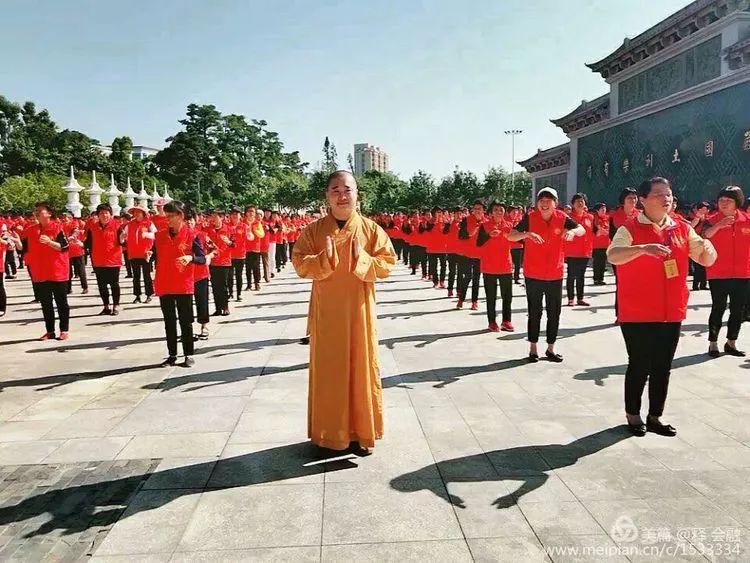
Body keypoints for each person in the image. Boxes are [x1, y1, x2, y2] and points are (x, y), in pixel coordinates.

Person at [292, 170, 396, 455]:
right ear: (326, 195)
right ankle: (329, 436)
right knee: (330, 372)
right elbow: (299, 263)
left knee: (361, 368)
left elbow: (387, 263)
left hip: (360, 312)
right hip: (327, 313)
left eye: (347, 189)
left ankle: (362, 433)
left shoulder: (371, 229)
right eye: (335, 190)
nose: (341, 195)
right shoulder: (313, 230)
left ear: (357, 194)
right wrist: (323, 259)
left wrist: (362, 258)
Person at [608, 177, 716, 436]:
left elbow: (706, 258)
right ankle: (633, 415)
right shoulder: (631, 227)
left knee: (662, 366)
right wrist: (642, 248)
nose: (666, 198)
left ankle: (655, 416)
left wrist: (707, 249)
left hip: (671, 310)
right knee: (639, 364)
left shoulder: (681, 227)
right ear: (643, 200)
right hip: (637, 311)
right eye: (658, 194)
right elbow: (613, 255)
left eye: (668, 194)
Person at [508, 188, 585, 362]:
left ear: (555, 203)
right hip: (533, 273)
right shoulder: (530, 217)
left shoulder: (562, 218)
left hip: (555, 273)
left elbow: (581, 229)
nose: (544, 203)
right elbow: (510, 236)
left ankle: (551, 348)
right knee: (534, 312)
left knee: (554, 312)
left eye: (548, 200)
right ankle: (533, 349)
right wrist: (527, 234)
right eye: (541, 200)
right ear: (537, 203)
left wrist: (572, 232)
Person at [153, 201, 206, 367]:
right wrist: (150, 255)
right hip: (164, 283)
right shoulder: (160, 235)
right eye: (166, 216)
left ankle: (188, 354)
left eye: (170, 216)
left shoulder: (192, 234)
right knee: (169, 321)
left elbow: (202, 258)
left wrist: (191, 258)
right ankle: (172, 355)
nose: (167, 219)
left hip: (183, 283)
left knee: (185, 321)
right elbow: (155, 255)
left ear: (180, 216)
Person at [702, 186, 750, 358]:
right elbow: (705, 235)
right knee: (718, 307)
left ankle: (731, 342)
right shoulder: (712, 218)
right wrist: (720, 225)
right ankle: (713, 343)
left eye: (728, 200)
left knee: (738, 309)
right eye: (721, 200)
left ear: (737, 203)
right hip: (718, 273)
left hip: (743, 273)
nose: (723, 203)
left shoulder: (747, 219)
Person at [24, 203, 71, 340]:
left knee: (61, 302)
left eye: (40, 211)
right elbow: (24, 248)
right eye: (36, 211)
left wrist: (50, 242)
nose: (37, 213)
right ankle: (50, 331)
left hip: (57, 271)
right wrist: (15, 241)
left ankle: (64, 330)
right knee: (46, 303)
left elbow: (65, 246)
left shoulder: (58, 227)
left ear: (49, 213)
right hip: (40, 272)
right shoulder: (31, 230)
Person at [476, 202, 514, 332]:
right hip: (489, 266)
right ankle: (492, 322)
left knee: (507, 296)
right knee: (491, 296)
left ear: (504, 212)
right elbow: (479, 243)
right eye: (496, 210)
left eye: (501, 210)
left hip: (505, 266)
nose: (498, 212)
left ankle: (506, 321)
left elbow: (517, 240)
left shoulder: (509, 226)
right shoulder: (484, 226)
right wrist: (488, 235)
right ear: (491, 212)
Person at [87, 203, 125, 316]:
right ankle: (106, 306)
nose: (104, 215)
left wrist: (123, 239)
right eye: (102, 213)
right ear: (98, 215)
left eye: (106, 213)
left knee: (114, 284)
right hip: (98, 261)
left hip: (113, 260)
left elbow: (122, 241)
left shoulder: (117, 226)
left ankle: (116, 305)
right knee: (102, 285)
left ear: (111, 214)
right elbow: (88, 243)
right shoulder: (93, 228)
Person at [564, 193, 594, 306]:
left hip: (585, 251)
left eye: (582, 201)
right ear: (573, 204)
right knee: (571, 275)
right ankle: (570, 299)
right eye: (577, 201)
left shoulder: (590, 217)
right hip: (572, 251)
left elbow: (591, 233)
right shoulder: (569, 217)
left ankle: (580, 298)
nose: (580, 203)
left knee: (581, 275)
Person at [457, 201, 486, 310]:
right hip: (467, 254)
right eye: (475, 208)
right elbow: (461, 236)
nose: (477, 210)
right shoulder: (466, 220)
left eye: (480, 208)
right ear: (472, 210)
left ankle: (474, 301)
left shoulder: (487, 221)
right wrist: (471, 233)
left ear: (483, 210)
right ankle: (461, 299)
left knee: (476, 279)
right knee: (467, 277)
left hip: (480, 255)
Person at [124, 205, 156, 303]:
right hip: (133, 254)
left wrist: (147, 235)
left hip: (145, 253)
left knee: (147, 275)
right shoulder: (129, 225)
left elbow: (156, 234)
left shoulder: (149, 223)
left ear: (143, 213)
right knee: (136, 276)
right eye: (135, 213)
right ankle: (137, 295)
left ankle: (149, 294)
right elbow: (125, 237)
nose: (136, 214)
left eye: (139, 212)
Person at [188, 211, 211, 341]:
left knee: (202, 301)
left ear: (196, 220)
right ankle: (188, 328)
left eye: (191, 219)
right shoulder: (179, 236)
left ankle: (204, 326)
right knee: (186, 304)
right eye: (186, 220)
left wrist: (209, 256)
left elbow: (215, 249)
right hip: (185, 275)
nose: (189, 222)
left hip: (200, 274)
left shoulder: (202, 235)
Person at [206, 209, 233, 316]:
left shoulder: (229, 229)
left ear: (221, 217)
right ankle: (218, 308)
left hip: (224, 261)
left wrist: (229, 242)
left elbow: (234, 244)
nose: (212, 219)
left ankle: (225, 307)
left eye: (215, 216)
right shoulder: (208, 230)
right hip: (213, 261)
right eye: (212, 216)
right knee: (215, 285)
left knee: (223, 286)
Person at [0, 225, 22, 317]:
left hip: (0, 266)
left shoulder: (5, 238)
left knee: (0, 287)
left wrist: (10, 240)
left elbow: (13, 245)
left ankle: (1, 308)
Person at [243, 205, 265, 292]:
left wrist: (254, 230)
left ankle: (257, 283)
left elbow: (262, 235)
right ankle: (249, 284)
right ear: (246, 213)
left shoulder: (257, 223)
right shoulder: (243, 223)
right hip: (246, 248)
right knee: (248, 267)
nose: (251, 213)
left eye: (252, 211)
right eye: (249, 211)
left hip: (256, 248)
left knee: (256, 267)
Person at [690, 202, 710, 291]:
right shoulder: (693, 218)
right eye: (702, 209)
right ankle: (695, 285)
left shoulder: (709, 219)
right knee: (698, 266)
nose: (704, 210)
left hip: (705, 243)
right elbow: (690, 227)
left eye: (706, 209)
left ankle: (703, 284)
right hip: (696, 243)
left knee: (705, 266)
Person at [591, 203, 610, 285]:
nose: (604, 210)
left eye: (605, 209)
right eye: (602, 209)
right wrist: (602, 231)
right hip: (596, 245)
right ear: (597, 211)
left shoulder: (607, 218)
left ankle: (601, 278)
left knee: (603, 262)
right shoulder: (594, 219)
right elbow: (598, 230)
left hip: (605, 244)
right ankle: (596, 279)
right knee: (597, 262)